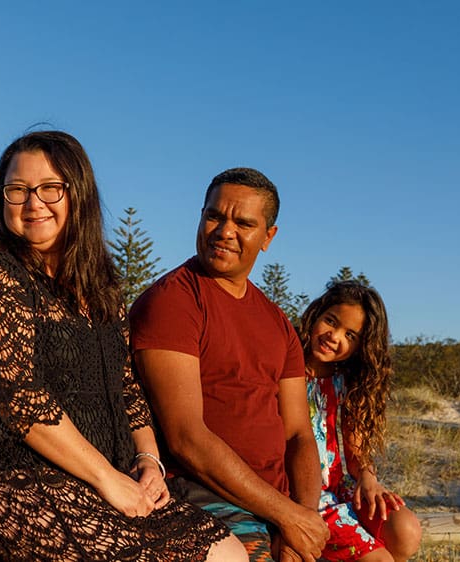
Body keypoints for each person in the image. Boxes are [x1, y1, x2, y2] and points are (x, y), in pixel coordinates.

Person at [0, 130, 247, 561]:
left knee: (228, 553)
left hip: (106, 475)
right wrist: (106, 478)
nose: (33, 204)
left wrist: (148, 461)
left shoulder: (100, 283)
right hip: (17, 478)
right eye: (18, 190)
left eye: (50, 188)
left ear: (78, 193)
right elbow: (19, 398)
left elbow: (126, 386)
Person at [129, 168, 329, 562]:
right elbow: (186, 439)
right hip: (202, 495)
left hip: (276, 505)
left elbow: (299, 436)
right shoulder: (174, 302)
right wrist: (287, 515)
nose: (224, 231)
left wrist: (303, 518)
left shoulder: (278, 324)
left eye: (244, 223)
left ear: (268, 237)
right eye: (214, 216)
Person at [300, 281, 422, 562]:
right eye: (331, 321)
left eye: (350, 335)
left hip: (333, 486)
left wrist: (367, 477)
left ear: (360, 346)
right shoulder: (286, 363)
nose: (334, 336)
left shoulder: (344, 380)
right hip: (298, 492)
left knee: (405, 529)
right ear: (316, 314)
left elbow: (355, 452)